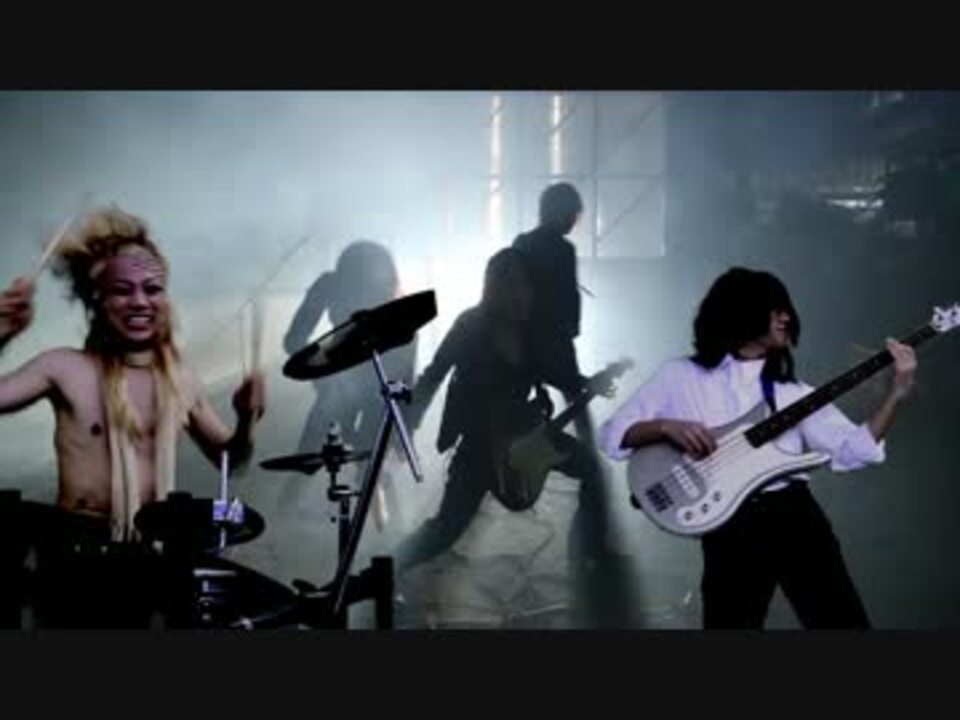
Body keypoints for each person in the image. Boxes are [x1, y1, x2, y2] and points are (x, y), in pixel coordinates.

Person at [598, 267, 918, 629]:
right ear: (741, 311)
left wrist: (896, 394)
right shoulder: (680, 375)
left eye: (786, 310)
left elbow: (854, 450)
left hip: (795, 516)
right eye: (775, 309)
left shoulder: (792, 392)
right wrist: (665, 426)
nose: (786, 317)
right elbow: (612, 434)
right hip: (730, 526)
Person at [0, 206, 266, 626]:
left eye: (152, 288)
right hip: (74, 562)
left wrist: (247, 419)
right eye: (122, 290)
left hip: (148, 560)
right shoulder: (64, 368)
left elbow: (231, 460)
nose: (140, 301)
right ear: (100, 300)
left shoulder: (180, 379)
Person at [396, 249, 610, 584]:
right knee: (446, 529)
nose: (521, 296)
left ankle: (586, 559)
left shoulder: (532, 331)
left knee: (591, 469)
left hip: (525, 435)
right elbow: (435, 373)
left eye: (525, 286)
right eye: (512, 286)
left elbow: (554, 372)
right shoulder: (469, 325)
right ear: (494, 289)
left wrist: (587, 382)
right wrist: (409, 423)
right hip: (480, 446)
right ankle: (376, 576)